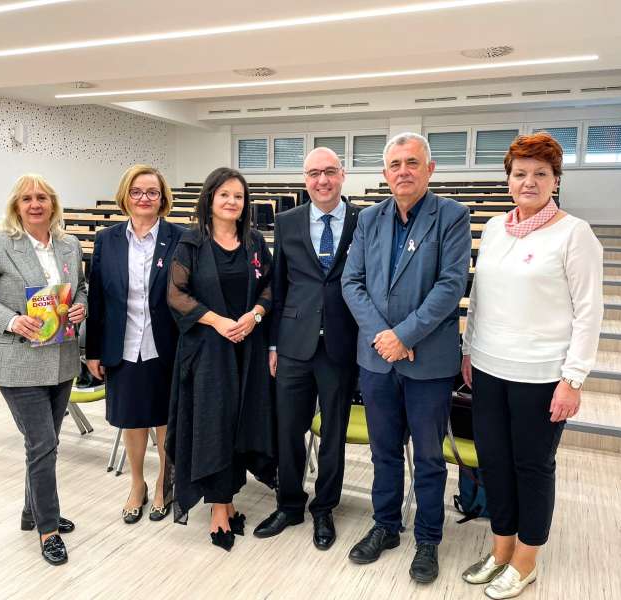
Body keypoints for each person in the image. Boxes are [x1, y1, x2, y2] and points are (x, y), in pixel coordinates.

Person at [460, 133, 603, 599]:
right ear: (508, 180)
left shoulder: (574, 233)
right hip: (488, 368)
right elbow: (480, 296)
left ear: (555, 180)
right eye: (520, 173)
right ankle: (501, 549)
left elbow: (589, 311)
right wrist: (469, 349)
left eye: (540, 173)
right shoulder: (496, 229)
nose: (529, 182)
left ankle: (525, 561)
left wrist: (573, 379)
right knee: (495, 463)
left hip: (541, 376)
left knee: (532, 467)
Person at [341, 132, 471, 583]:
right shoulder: (369, 219)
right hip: (377, 359)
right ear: (385, 173)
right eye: (395, 164)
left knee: (430, 457)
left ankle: (428, 538)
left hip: (428, 362)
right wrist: (385, 338)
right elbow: (352, 282)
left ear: (429, 169)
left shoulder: (451, 216)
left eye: (412, 162)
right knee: (383, 451)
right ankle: (386, 526)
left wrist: (405, 335)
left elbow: (451, 286)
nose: (403, 171)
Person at [0, 174, 87, 566]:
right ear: (17, 205)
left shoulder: (69, 245)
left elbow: (80, 288)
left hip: (61, 358)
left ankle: (32, 512)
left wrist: (81, 307)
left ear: (53, 204)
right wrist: (12, 320)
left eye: (42, 198)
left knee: (46, 442)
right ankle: (48, 530)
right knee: (42, 443)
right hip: (18, 361)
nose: (35, 204)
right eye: (27, 198)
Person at [253, 148, 360, 550]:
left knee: (333, 433)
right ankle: (290, 504)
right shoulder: (288, 221)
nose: (322, 180)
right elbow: (279, 284)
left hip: (341, 343)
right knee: (288, 430)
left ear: (342, 174)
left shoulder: (363, 219)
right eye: (314, 173)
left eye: (330, 171)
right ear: (305, 180)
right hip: (294, 342)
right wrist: (274, 343)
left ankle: (325, 507)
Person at [165, 167, 276, 552]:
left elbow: (270, 286)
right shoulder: (191, 243)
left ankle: (228, 501)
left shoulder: (255, 242)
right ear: (210, 198)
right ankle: (218, 509)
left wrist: (254, 316)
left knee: (240, 424)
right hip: (208, 352)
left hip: (247, 348)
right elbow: (176, 295)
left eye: (238, 196)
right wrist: (218, 321)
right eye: (224, 194)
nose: (232, 201)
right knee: (213, 426)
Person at [85, 165, 185, 524]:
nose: (144, 198)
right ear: (125, 196)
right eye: (137, 191)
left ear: (163, 198)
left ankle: (163, 483)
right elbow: (97, 298)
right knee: (131, 418)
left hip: (167, 343)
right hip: (123, 343)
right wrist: (93, 351)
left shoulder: (181, 237)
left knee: (165, 419)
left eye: (152, 192)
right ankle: (137, 483)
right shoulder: (107, 239)